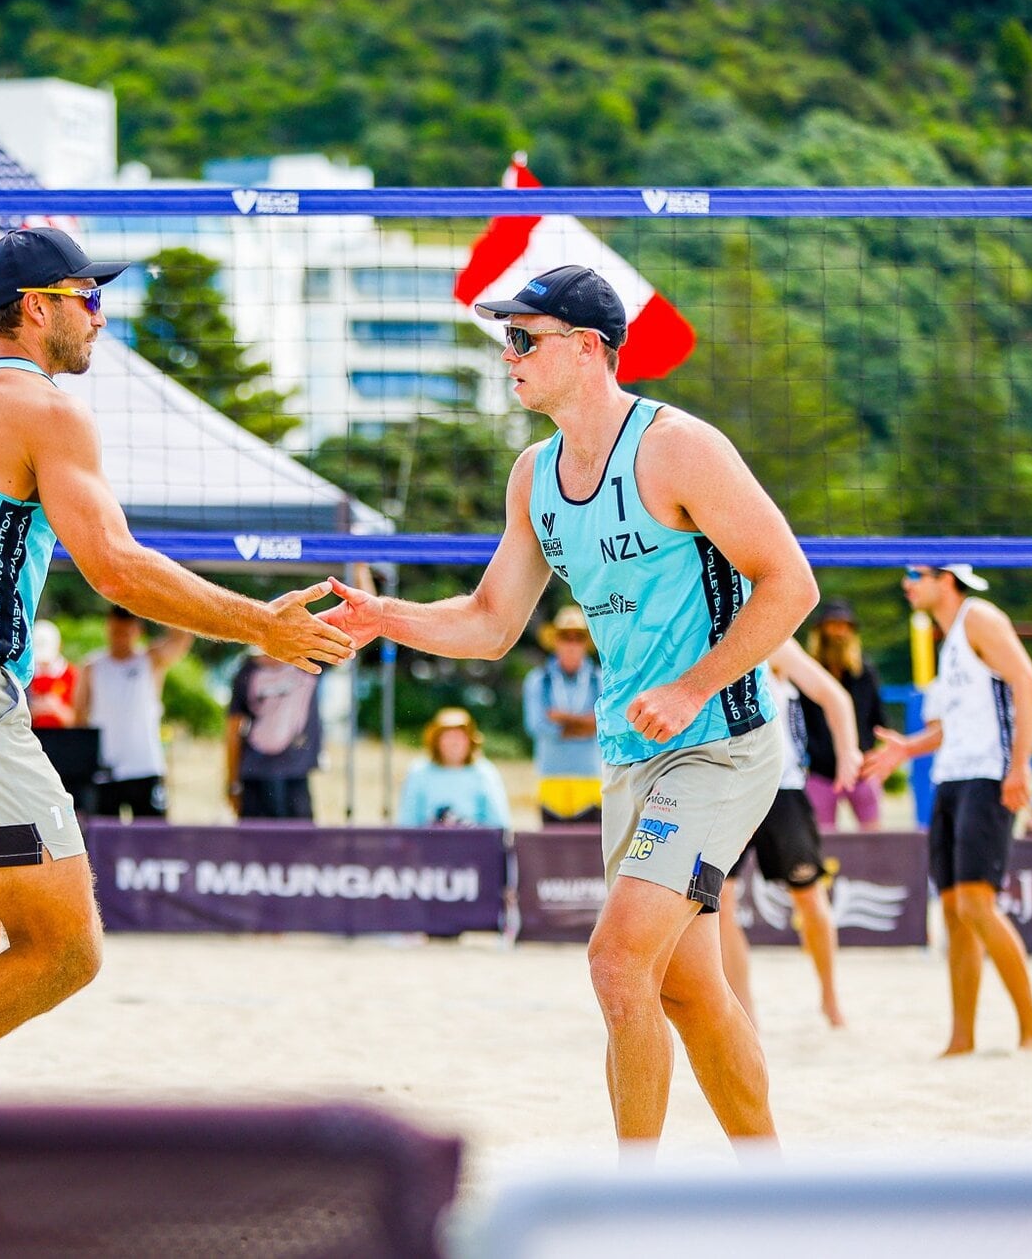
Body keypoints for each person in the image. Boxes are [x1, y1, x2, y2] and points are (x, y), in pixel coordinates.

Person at [0, 228, 351, 1105]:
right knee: (67, 951)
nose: (102, 317)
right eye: (88, 297)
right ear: (37, 309)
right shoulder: (44, 408)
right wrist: (262, 623)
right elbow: (115, 566)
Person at [322, 265, 817, 1150]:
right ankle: (771, 1177)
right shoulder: (534, 476)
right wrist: (383, 617)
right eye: (504, 336)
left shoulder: (678, 448)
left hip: (723, 739)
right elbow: (488, 622)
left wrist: (694, 682)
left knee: (617, 960)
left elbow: (792, 585)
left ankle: (627, 1205)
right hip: (633, 748)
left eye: (524, 337)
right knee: (687, 989)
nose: (507, 354)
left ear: (590, 348)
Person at [863, 564, 1032, 1056]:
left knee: (975, 905)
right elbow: (952, 728)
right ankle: (961, 1038)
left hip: (989, 778)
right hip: (951, 777)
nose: (906, 583)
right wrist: (908, 747)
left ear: (947, 579)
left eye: (915, 573)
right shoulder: (948, 642)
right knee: (952, 913)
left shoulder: (980, 617)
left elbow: (1029, 685)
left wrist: (1020, 767)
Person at [718, 639, 860, 1030]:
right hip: (725, 785)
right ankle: (744, 1010)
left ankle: (830, 999)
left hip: (782, 787)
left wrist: (848, 751)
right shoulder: (697, 622)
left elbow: (834, 696)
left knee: (810, 898)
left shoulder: (769, 631)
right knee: (719, 904)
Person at [75, 607, 192, 820]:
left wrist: (151, 602)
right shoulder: (92, 666)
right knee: (104, 841)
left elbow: (182, 638)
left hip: (145, 766)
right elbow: (79, 717)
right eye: (115, 632)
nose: (120, 638)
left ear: (137, 630)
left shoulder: (150, 659)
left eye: (126, 632)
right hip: (107, 768)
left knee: (153, 840)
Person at [799, 598, 886, 831]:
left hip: (861, 769)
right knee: (824, 839)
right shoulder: (808, 672)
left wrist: (876, 756)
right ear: (821, 629)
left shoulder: (864, 672)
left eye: (844, 625)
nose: (839, 631)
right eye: (833, 624)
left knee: (873, 837)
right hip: (820, 769)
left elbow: (878, 718)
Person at [522, 604, 603, 822]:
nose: (571, 644)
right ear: (555, 641)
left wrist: (562, 719)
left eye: (578, 638)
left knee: (592, 852)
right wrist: (586, 725)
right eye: (565, 637)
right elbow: (536, 725)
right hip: (551, 778)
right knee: (552, 851)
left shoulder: (599, 679)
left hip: (592, 778)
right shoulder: (539, 679)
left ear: (586, 643)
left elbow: (607, 724)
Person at [226, 650, 323, 820]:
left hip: (295, 775)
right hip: (256, 775)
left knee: (301, 842)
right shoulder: (248, 671)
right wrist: (232, 782)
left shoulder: (310, 661)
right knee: (257, 842)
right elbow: (233, 729)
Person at [396, 706, 513, 829]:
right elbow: (407, 824)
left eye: (460, 736)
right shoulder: (419, 772)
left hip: (473, 845)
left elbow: (499, 825)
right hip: (428, 845)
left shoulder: (484, 772)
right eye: (448, 736)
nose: (454, 742)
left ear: (470, 740)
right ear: (436, 741)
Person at [27, 620, 78, 728]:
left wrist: (56, 708)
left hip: (64, 739)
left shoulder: (71, 674)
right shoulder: (25, 675)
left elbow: (79, 719)